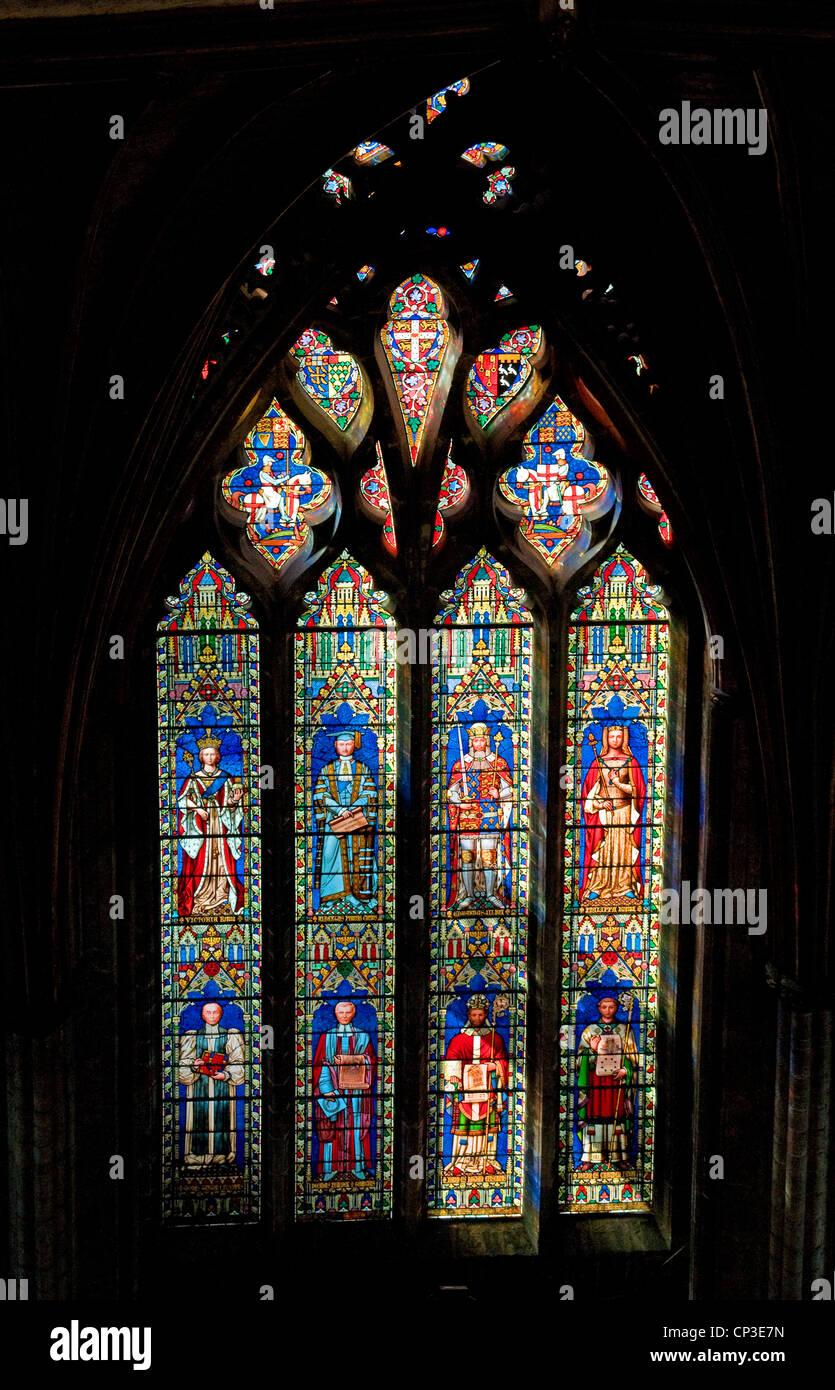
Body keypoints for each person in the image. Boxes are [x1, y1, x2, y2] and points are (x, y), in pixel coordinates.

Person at [177, 734, 244, 917]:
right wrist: (198, 809)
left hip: (220, 825)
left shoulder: (226, 778)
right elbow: (183, 801)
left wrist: (234, 800)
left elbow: (231, 805)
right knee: (201, 861)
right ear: (201, 757)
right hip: (202, 826)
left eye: (212, 754)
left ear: (217, 756)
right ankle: (201, 896)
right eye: (206, 754)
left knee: (222, 860)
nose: (209, 757)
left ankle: (222, 895)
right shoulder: (193, 778)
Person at [446, 723, 513, 908]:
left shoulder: (498, 763)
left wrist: (499, 794)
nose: (479, 744)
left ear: (487, 741)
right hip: (467, 818)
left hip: (489, 817)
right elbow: (451, 792)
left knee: (489, 858)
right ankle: (468, 895)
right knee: (467, 858)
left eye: (482, 740)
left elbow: (510, 790)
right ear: (471, 742)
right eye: (475, 740)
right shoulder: (461, 764)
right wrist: (461, 802)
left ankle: (491, 894)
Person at [442, 994, 509, 1179]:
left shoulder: (495, 1039)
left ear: (485, 1014)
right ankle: (460, 1161)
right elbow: (451, 1063)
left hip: (487, 1092)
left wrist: (494, 1066)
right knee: (465, 1127)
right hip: (465, 1093)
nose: (477, 1019)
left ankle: (486, 1161)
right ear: (468, 1015)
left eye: (480, 1015)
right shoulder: (458, 1040)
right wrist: (454, 1076)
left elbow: (504, 1064)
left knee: (488, 1127)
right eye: (473, 1015)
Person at [580, 724, 646, 903]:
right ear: (605, 739)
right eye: (611, 737)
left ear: (623, 738)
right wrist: (601, 805)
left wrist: (616, 782)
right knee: (604, 850)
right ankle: (598, 886)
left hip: (625, 813)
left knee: (623, 850)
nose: (615, 740)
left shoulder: (631, 762)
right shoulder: (597, 763)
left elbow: (636, 791)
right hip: (605, 815)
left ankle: (626, 886)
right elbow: (589, 794)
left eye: (618, 737)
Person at [313, 731, 377, 910]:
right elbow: (320, 794)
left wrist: (353, 808)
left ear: (353, 745)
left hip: (356, 820)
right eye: (342, 744)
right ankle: (330, 897)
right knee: (329, 856)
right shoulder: (327, 770)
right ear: (335, 746)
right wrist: (340, 809)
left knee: (354, 854)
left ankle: (355, 895)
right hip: (333, 821)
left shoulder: (363, 769)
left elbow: (370, 793)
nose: (345, 748)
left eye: (348, 744)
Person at [312, 1000, 376, 1181]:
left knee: (355, 1130)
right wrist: (325, 1089)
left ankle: (357, 1167)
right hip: (334, 1092)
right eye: (341, 1013)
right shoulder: (327, 1036)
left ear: (354, 1013)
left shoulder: (363, 1036)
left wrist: (354, 1060)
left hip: (356, 1094)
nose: (345, 1016)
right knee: (332, 1129)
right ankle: (329, 1169)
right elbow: (320, 1064)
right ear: (335, 1014)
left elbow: (372, 1062)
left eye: (348, 1012)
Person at [178, 1000, 245, 1166]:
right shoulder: (192, 1036)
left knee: (222, 1120)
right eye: (208, 1012)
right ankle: (197, 1157)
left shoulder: (231, 1035)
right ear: (202, 1015)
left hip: (222, 1087)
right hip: (198, 1088)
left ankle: (221, 1157)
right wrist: (194, 1065)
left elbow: (239, 1062)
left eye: (215, 1012)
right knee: (199, 1120)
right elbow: (183, 1066)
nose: (212, 1015)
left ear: (221, 1015)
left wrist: (227, 1074)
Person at [576, 994, 639, 1170]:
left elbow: (632, 1059)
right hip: (595, 1086)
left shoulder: (624, 1029)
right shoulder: (590, 1031)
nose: (608, 1010)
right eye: (605, 1007)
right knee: (593, 1119)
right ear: (599, 1008)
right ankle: (589, 1157)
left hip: (615, 1084)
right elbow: (579, 1061)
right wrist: (593, 1051)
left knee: (617, 1118)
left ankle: (620, 1157)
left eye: (612, 1007)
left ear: (617, 1008)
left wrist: (626, 1070)